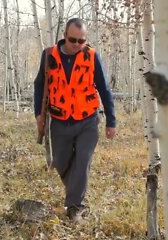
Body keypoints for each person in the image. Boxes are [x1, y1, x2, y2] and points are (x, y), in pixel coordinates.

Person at [34, 18, 117, 222]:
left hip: (88, 120)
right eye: (73, 40)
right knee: (60, 163)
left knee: (83, 161)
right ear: (64, 36)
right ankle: (75, 192)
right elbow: (39, 86)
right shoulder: (48, 55)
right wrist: (39, 114)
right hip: (60, 120)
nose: (77, 45)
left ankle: (75, 208)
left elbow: (104, 89)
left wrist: (111, 120)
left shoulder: (91, 56)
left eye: (82, 41)